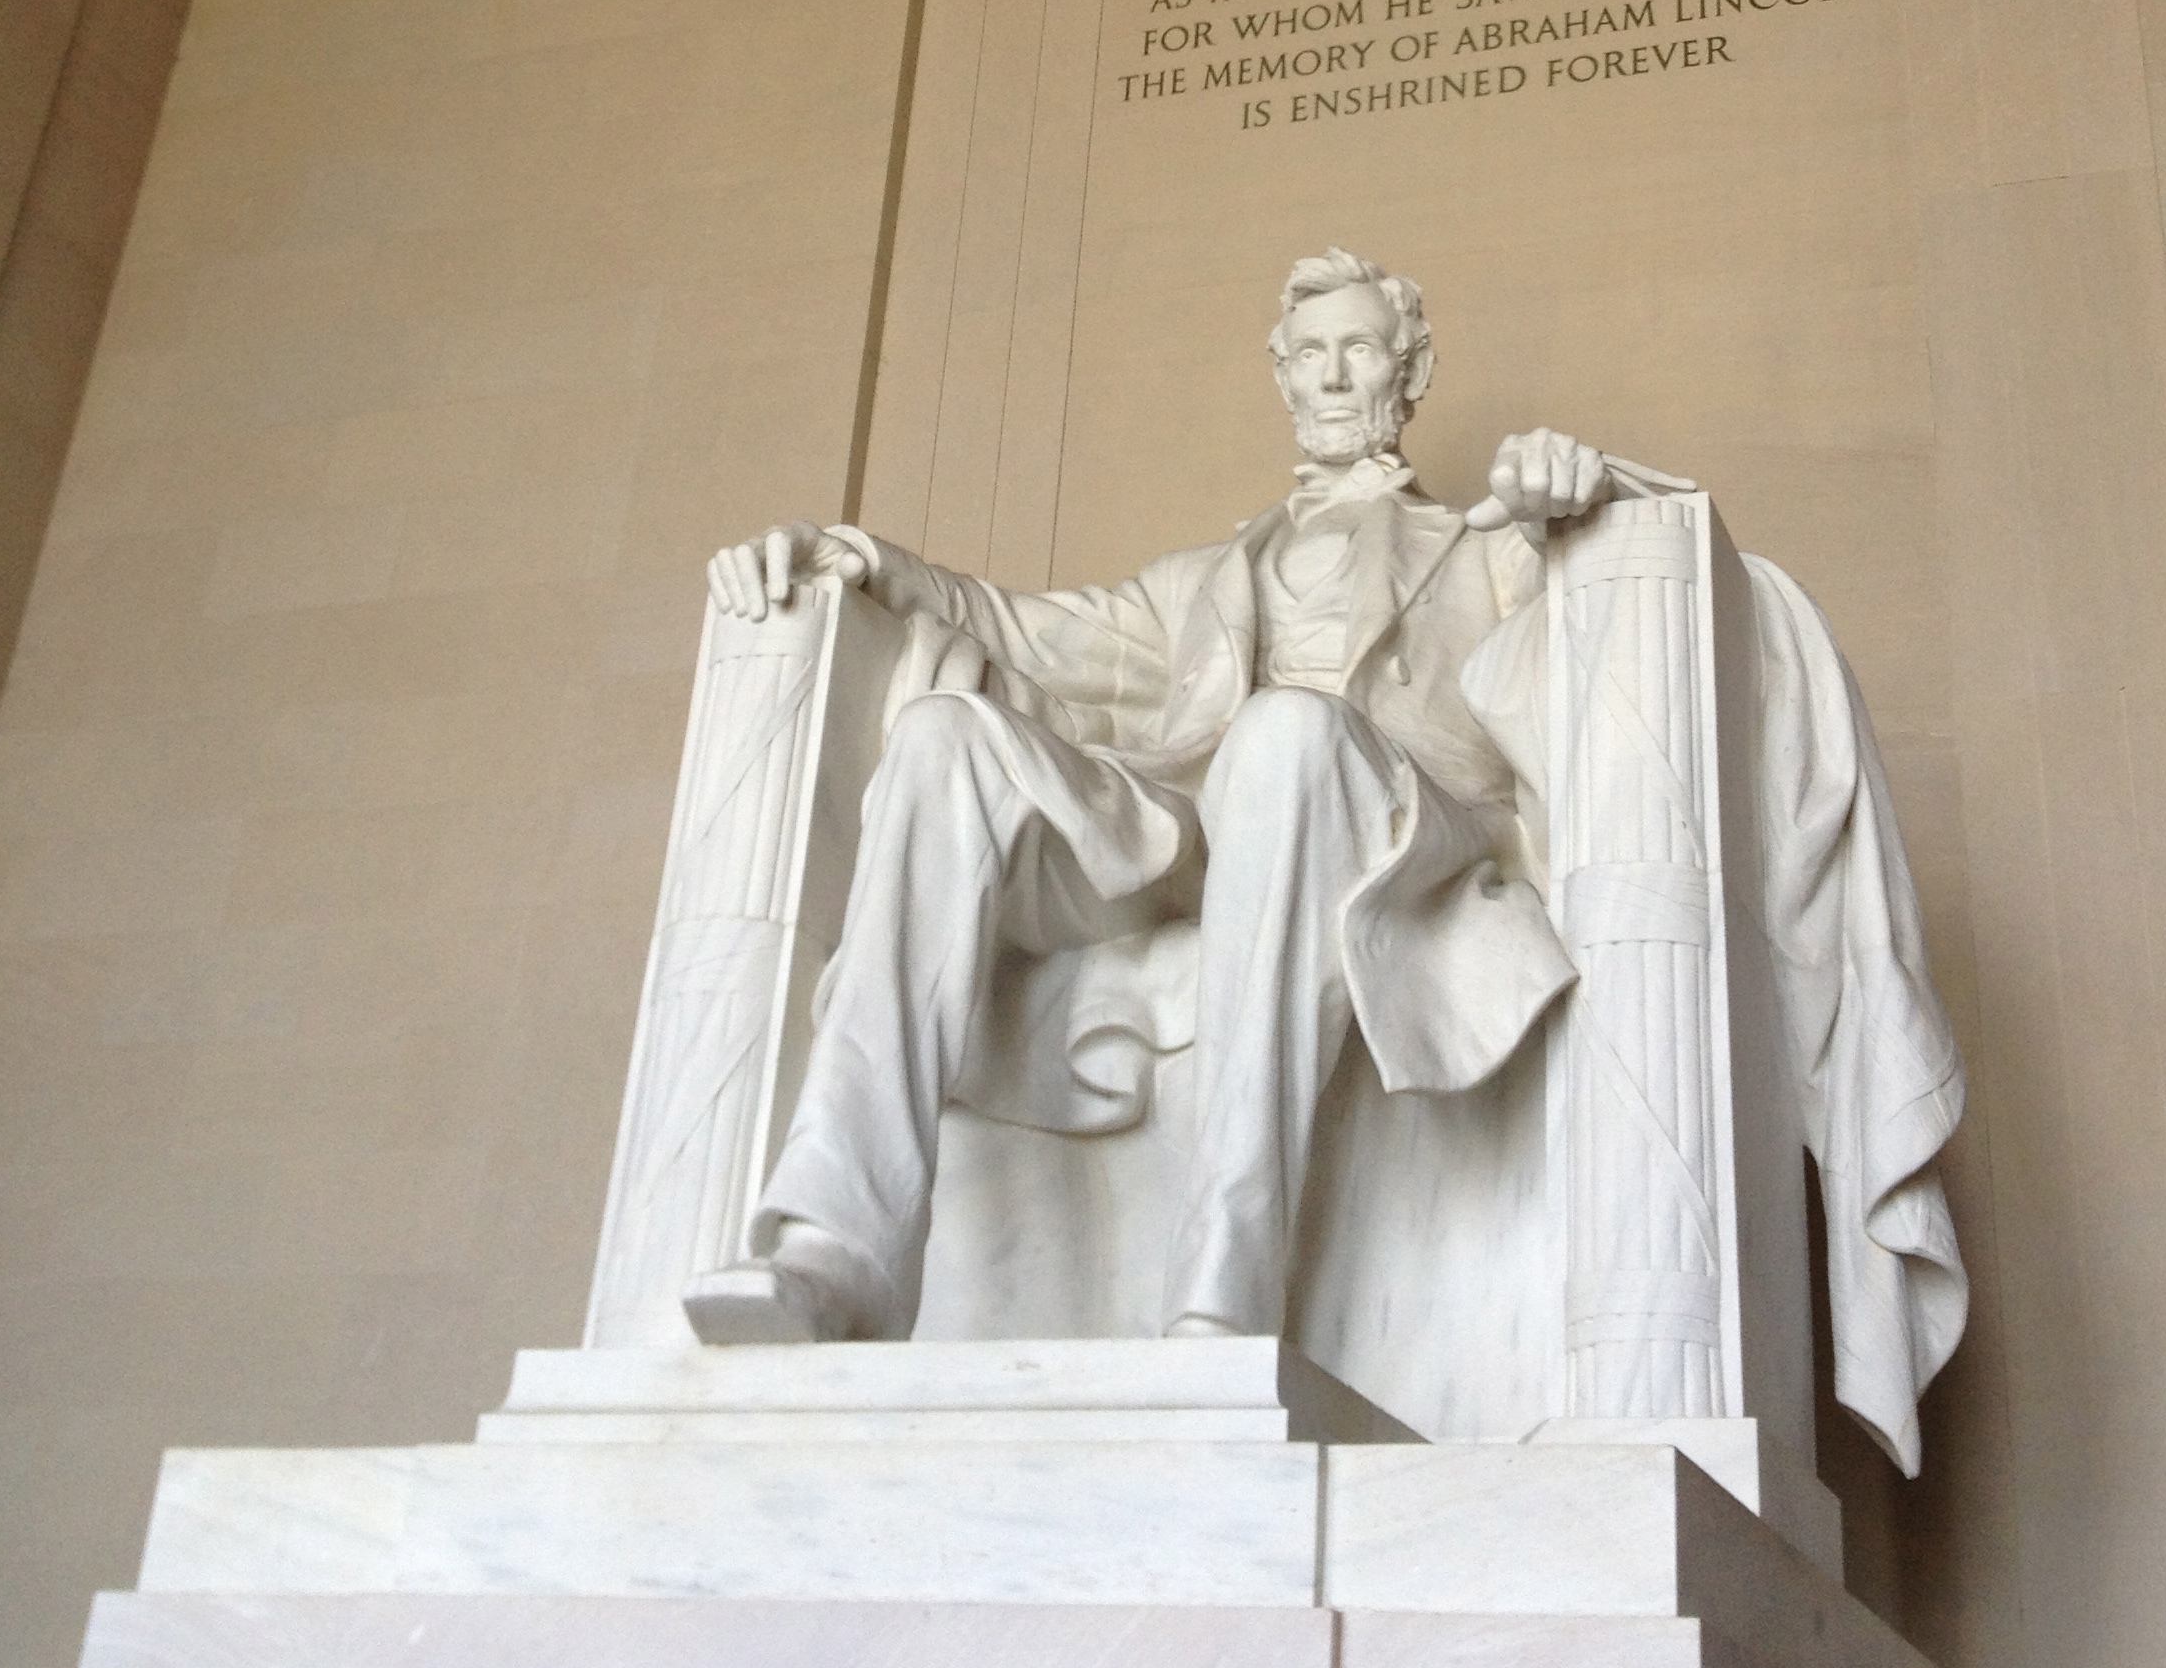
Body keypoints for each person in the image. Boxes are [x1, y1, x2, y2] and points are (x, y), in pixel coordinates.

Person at [687, 247, 1657, 1347]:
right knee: (942, 736)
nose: (1334, 375)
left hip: (1392, 835)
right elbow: (1020, 629)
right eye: (1311, 354)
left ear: (1413, 369)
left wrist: (1575, 495)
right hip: (1192, 834)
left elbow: (1596, 606)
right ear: (1282, 375)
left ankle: (1225, 1285)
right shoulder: (1199, 582)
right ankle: (838, 1244)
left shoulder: (1485, 548)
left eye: (1361, 349)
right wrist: (853, 557)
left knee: (1286, 735)